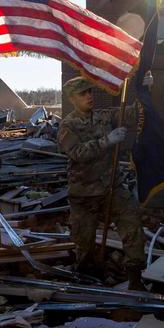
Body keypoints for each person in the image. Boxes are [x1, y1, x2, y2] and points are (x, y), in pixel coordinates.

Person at [56, 75, 152, 291]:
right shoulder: (67, 125)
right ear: (72, 98)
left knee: (132, 224)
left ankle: (135, 278)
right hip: (84, 192)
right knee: (84, 243)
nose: (89, 96)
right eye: (83, 93)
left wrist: (142, 90)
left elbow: (132, 113)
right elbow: (77, 153)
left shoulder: (103, 116)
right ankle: (87, 281)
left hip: (111, 187)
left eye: (90, 91)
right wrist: (107, 141)